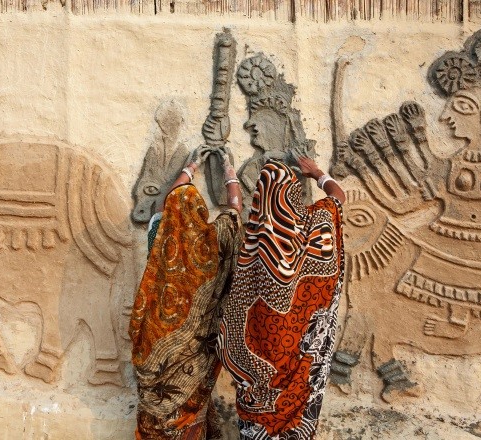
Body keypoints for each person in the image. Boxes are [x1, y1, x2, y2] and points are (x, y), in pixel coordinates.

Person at [217, 154, 345, 439]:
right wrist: (317, 173)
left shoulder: (253, 248)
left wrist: (231, 182)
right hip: (301, 368)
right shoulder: (317, 226)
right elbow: (338, 197)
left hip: (260, 369)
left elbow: (234, 318)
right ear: (294, 195)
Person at [129, 146, 244, 439]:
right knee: (190, 413)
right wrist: (229, 171)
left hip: (154, 343)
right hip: (196, 353)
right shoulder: (216, 241)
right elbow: (234, 211)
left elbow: (166, 203)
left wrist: (190, 168)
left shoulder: (160, 237)